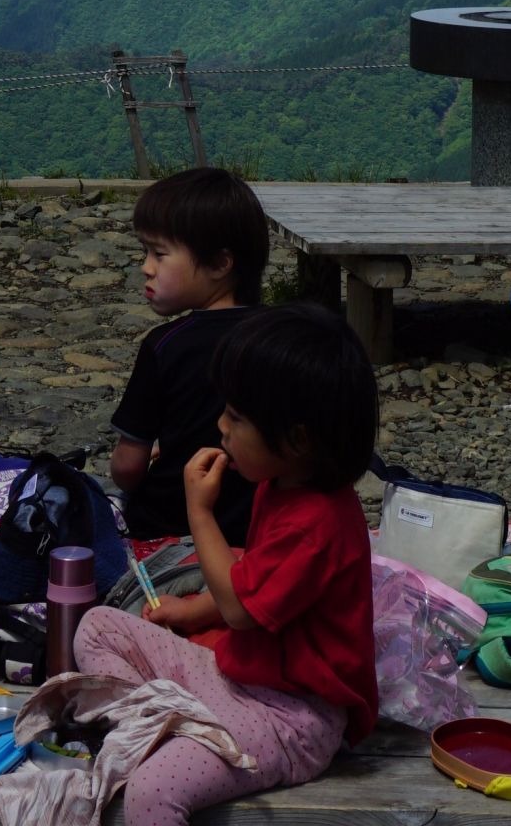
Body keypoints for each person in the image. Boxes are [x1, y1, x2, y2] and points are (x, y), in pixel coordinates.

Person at [77, 304, 378, 826]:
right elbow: (250, 583)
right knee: (97, 626)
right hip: (236, 675)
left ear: (298, 439)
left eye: (236, 418)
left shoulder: (319, 522)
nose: (220, 427)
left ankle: (162, 733)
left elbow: (240, 607)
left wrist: (200, 510)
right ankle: (167, 726)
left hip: (290, 718)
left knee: (152, 792)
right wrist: (191, 613)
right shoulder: (280, 484)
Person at [110, 167, 270, 548]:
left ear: (219, 264)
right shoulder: (282, 337)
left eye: (159, 254)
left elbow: (128, 467)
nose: (146, 267)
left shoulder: (165, 346)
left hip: (171, 523)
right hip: (262, 526)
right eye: (145, 252)